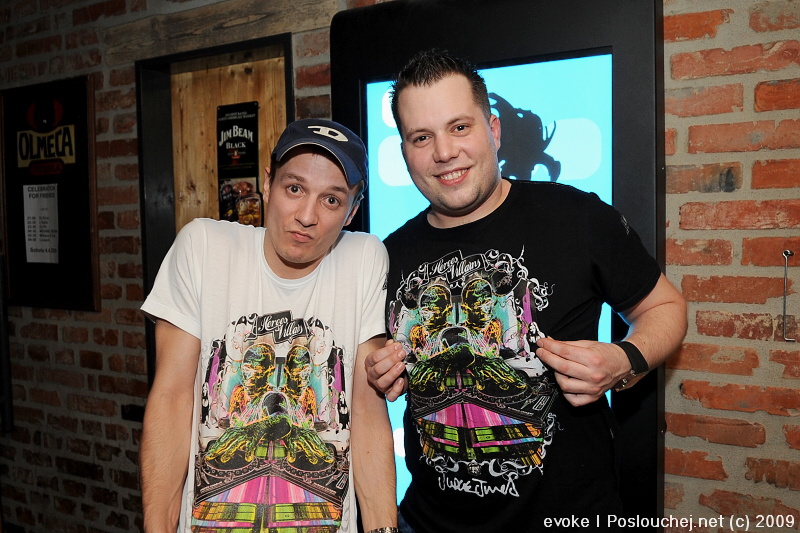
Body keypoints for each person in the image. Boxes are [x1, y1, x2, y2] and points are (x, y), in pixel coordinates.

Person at [365, 49, 688, 532]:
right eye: (421, 137)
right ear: (405, 150)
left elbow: (665, 306)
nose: (444, 152)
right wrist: (378, 369)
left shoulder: (576, 216)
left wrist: (625, 360)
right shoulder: (387, 255)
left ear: (493, 130)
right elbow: (373, 364)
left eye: (459, 127)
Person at [140, 119, 398, 533]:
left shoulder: (363, 258)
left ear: (352, 210)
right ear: (267, 183)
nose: (306, 216)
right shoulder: (203, 247)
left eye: (331, 200)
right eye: (294, 189)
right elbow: (171, 399)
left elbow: (367, 411)